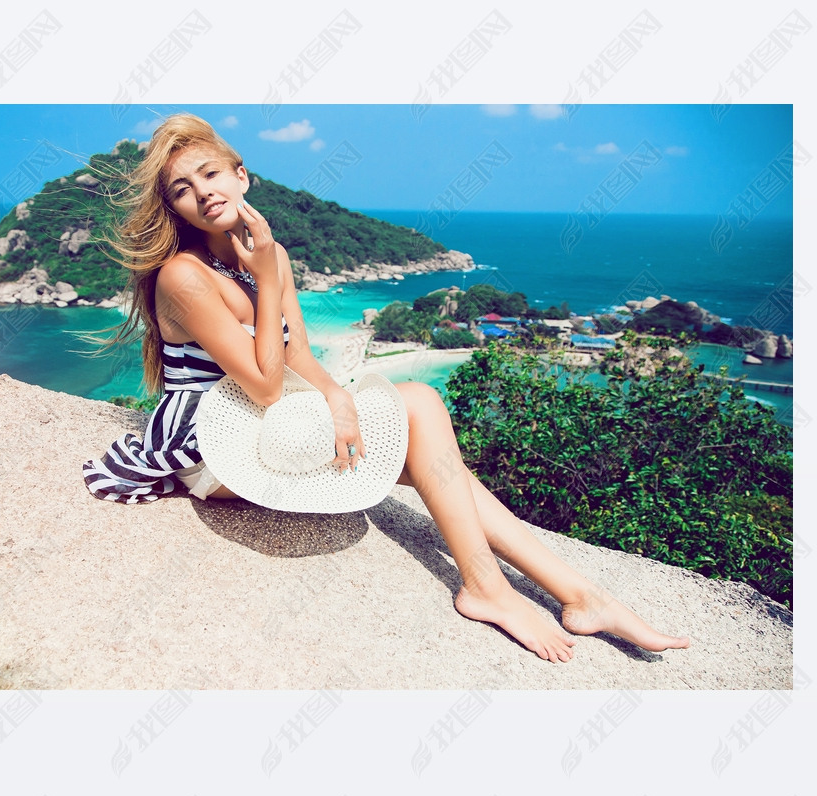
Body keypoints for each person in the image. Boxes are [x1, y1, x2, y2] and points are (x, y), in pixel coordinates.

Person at [83, 113, 690, 665]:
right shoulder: (184, 276)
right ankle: (487, 587)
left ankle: (580, 594)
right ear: (174, 209)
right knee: (421, 407)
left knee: (434, 461)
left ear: (243, 176)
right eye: (181, 190)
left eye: (210, 173)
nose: (201, 193)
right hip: (211, 442)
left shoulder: (267, 254)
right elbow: (268, 385)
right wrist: (268, 280)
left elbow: (297, 357)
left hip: (264, 417)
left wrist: (337, 395)